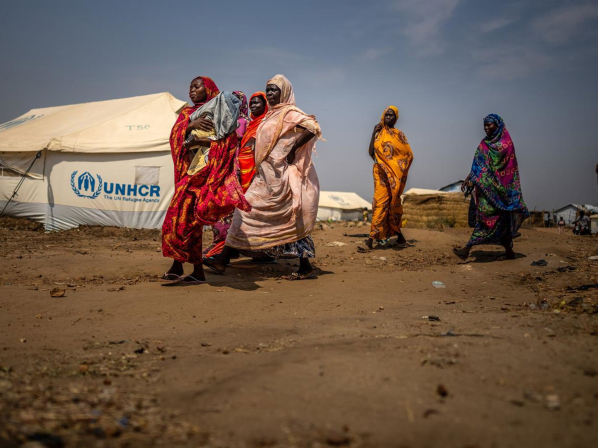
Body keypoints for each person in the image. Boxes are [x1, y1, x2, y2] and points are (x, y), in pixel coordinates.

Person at [204, 74, 321, 280]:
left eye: (274, 90)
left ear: (284, 92)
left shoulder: (289, 113)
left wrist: (294, 147)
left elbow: (313, 127)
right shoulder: (270, 115)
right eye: (268, 90)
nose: (270, 93)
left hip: (281, 178)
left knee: (289, 219)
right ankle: (222, 260)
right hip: (265, 177)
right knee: (244, 213)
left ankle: (305, 266)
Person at [161, 76, 250, 285]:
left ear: (208, 89)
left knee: (187, 221)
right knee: (180, 220)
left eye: (196, 87)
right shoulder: (186, 114)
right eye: (190, 87)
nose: (191, 91)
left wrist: (201, 140)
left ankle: (188, 268)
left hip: (206, 176)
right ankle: (186, 267)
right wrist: (191, 125)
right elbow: (174, 137)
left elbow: (228, 143)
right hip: (188, 174)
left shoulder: (220, 112)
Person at [453, 114, 529, 261]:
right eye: (485, 125)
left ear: (498, 126)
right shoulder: (484, 144)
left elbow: (510, 170)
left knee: (494, 220)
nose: (486, 128)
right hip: (486, 191)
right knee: (489, 219)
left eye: (489, 125)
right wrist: (469, 178)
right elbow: (478, 165)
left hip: (502, 193)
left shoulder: (506, 145)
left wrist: (495, 183)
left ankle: (468, 248)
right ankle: (506, 252)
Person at [202, 90, 254, 260]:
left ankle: (225, 247)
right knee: (221, 206)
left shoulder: (243, 122)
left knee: (229, 207)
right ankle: (223, 245)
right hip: (224, 167)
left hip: (235, 169)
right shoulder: (226, 120)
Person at [364, 106, 413, 250]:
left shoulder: (399, 135)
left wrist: (396, 170)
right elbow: (371, 153)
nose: (388, 118)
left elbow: (408, 155)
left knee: (392, 206)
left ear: (396, 118)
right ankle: (371, 240)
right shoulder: (379, 134)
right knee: (379, 204)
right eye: (386, 115)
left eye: (391, 115)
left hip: (394, 177)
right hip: (380, 176)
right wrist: (373, 133)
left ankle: (398, 238)